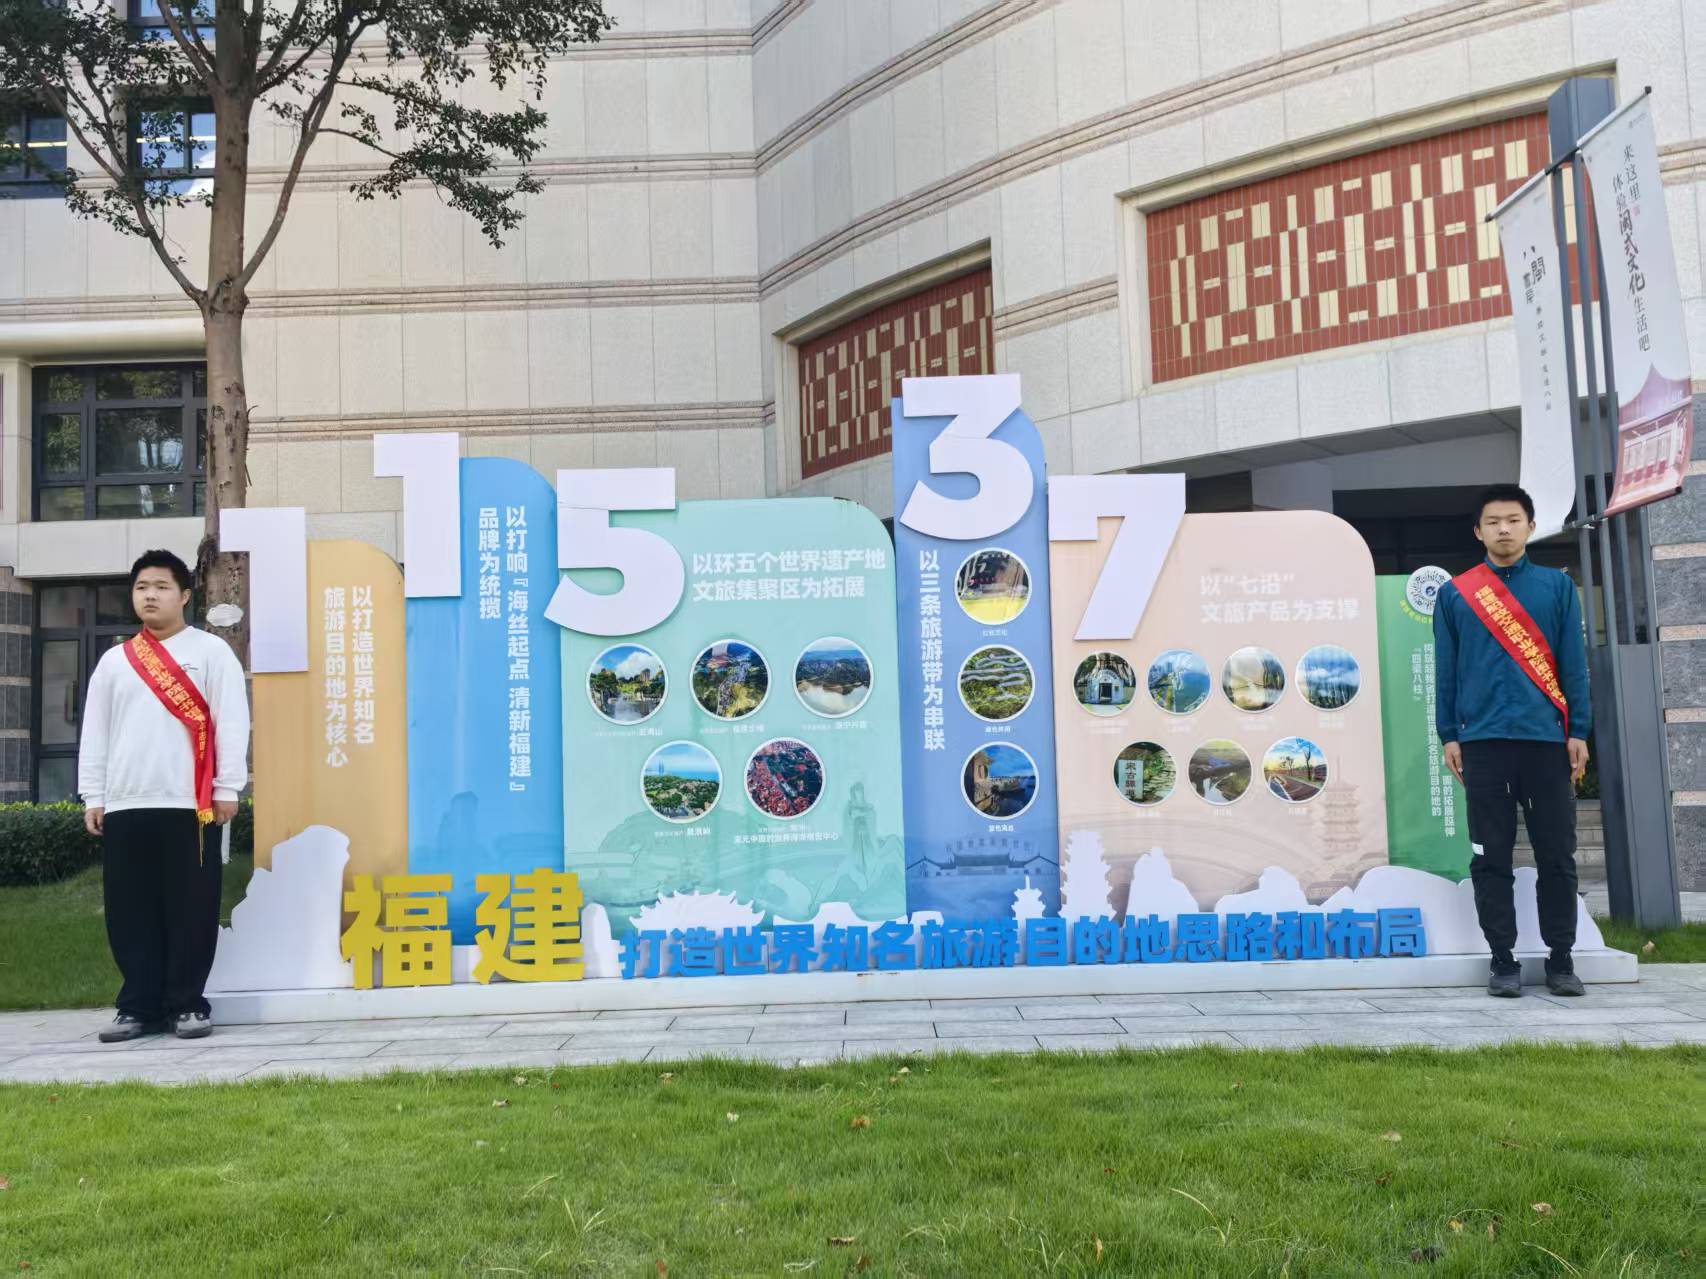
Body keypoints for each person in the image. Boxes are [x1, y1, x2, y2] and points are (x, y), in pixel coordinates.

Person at [78, 550, 250, 1042]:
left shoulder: (211, 653)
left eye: (161, 587)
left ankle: (187, 1004)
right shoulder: (115, 661)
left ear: (185, 595)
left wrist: (227, 786)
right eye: (141, 588)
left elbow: (231, 722)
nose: (150, 596)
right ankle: (138, 1006)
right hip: (127, 802)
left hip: (190, 804)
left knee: (191, 907)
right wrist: (94, 795)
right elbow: (96, 731)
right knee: (130, 909)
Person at [1434, 484, 1592, 998]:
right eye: (1493, 521)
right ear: (1478, 531)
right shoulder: (1457, 594)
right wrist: (1449, 735)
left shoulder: (1556, 588)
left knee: (1557, 856)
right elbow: (1446, 672)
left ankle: (1561, 960)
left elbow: (1574, 665)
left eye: (1514, 520)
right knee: (1490, 857)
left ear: (1530, 527)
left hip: (1546, 743)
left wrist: (1579, 730)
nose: (1504, 528)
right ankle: (1502, 960)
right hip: (1482, 745)